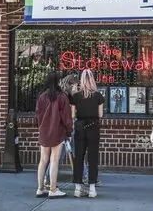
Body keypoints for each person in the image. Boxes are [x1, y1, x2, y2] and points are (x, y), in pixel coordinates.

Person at [43, 73, 88, 189]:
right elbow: (68, 115)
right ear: (69, 85)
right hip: (66, 129)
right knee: (66, 154)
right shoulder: (64, 97)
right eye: (76, 85)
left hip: (67, 128)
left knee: (72, 152)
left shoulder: (67, 96)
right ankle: (84, 176)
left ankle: (84, 175)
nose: (78, 88)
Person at [35, 71, 73, 198]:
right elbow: (67, 118)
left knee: (43, 160)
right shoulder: (62, 97)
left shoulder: (41, 96)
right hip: (57, 132)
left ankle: (40, 188)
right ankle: (53, 189)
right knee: (54, 161)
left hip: (44, 132)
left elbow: (38, 115)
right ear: (57, 82)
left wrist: (41, 128)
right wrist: (69, 132)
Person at [71, 69, 104, 198]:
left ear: (81, 80)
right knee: (93, 158)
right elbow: (100, 115)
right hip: (93, 127)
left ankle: (77, 189)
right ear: (92, 80)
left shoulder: (76, 96)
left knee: (78, 157)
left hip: (80, 127)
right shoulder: (98, 96)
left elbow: (73, 115)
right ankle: (92, 189)